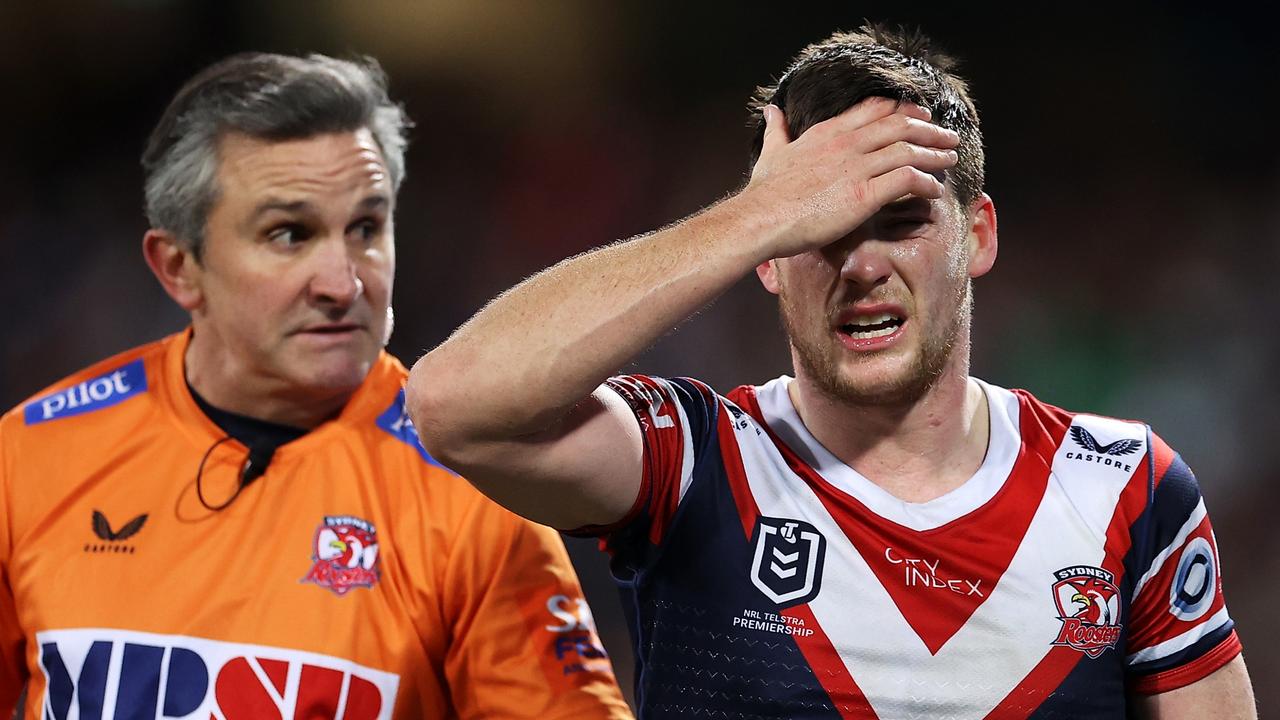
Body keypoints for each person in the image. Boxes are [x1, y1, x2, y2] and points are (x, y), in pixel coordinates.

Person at [406, 24, 1256, 718]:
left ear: (980, 236)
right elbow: (450, 404)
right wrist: (758, 212)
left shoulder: (1127, 492)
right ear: (769, 260)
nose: (860, 265)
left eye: (899, 219)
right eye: (818, 229)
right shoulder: (697, 465)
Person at [0, 53, 632, 720]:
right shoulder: (29, 458)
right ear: (180, 267)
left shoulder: (473, 490)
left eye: (366, 228)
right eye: (290, 234)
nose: (344, 283)